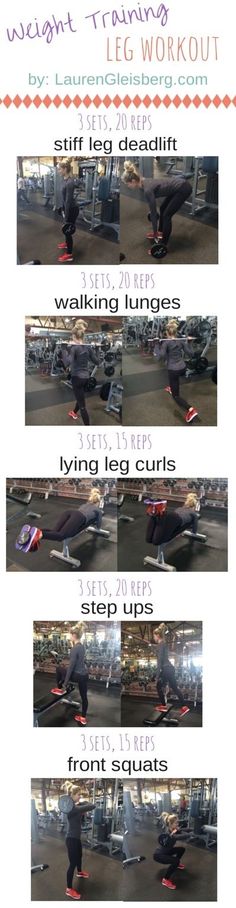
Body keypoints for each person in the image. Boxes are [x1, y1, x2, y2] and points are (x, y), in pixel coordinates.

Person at [121, 161, 192, 258]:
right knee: (163, 208)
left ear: (133, 181)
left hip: (183, 189)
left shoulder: (147, 189)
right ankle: (161, 232)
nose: (127, 186)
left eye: (127, 184)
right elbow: (154, 210)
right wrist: (156, 231)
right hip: (177, 187)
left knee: (167, 215)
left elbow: (154, 214)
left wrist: (154, 233)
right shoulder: (142, 182)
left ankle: (163, 244)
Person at [16, 488, 103, 552]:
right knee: (61, 536)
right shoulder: (98, 510)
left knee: (55, 531)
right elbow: (98, 524)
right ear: (98, 502)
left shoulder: (85, 504)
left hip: (69, 512)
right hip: (78, 516)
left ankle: (32, 532)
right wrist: (97, 526)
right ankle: (38, 534)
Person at [154, 319, 198, 424]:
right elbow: (191, 354)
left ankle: (191, 410)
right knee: (174, 381)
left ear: (167, 332)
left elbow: (160, 357)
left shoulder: (166, 343)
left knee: (176, 396)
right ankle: (172, 387)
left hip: (173, 370)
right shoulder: (181, 341)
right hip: (182, 368)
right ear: (175, 332)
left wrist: (156, 344)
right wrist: (189, 342)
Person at [65, 320, 99, 424]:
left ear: (74, 336)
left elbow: (67, 363)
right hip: (86, 378)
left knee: (83, 406)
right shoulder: (88, 347)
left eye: (72, 337)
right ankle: (74, 412)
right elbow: (97, 362)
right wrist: (97, 350)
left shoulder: (74, 348)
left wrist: (64, 349)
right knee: (80, 397)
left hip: (77, 379)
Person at [54, 624, 89, 726]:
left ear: (74, 635)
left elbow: (71, 667)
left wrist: (65, 683)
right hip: (84, 675)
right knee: (84, 697)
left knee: (59, 669)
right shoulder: (82, 647)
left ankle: (60, 688)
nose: (69, 637)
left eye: (70, 635)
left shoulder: (74, 649)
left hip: (77, 675)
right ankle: (83, 718)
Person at [153, 624, 190, 717]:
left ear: (157, 635)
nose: (153, 637)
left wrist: (157, 677)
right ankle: (184, 706)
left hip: (166, 669)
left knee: (158, 686)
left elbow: (159, 662)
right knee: (174, 687)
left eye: (154, 635)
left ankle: (163, 706)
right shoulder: (163, 644)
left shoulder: (160, 645)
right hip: (170, 668)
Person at [64, 796, 96, 900]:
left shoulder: (75, 807)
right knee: (72, 863)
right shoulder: (73, 809)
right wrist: (82, 802)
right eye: (78, 794)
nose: (80, 796)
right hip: (71, 839)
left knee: (80, 856)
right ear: (73, 796)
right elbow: (92, 805)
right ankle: (69, 889)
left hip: (76, 838)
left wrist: (80, 802)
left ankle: (79, 872)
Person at [153, 813, 186, 890]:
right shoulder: (169, 833)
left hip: (166, 851)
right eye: (176, 823)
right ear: (171, 824)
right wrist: (193, 834)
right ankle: (165, 880)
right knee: (176, 861)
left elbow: (182, 830)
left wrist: (192, 830)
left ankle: (176, 865)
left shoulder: (172, 829)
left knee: (181, 849)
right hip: (158, 856)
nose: (178, 824)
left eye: (178, 822)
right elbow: (181, 836)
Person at [58, 162, 79, 263]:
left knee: (67, 231)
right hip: (66, 207)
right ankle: (66, 243)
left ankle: (69, 254)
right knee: (66, 228)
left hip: (72, 209)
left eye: (60, 169)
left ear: (65, 169)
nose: (59, 171)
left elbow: (68, 200)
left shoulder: (70, 182)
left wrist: (66, 214)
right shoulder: (63, 180)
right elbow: (63, 198)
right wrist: (62, 208)